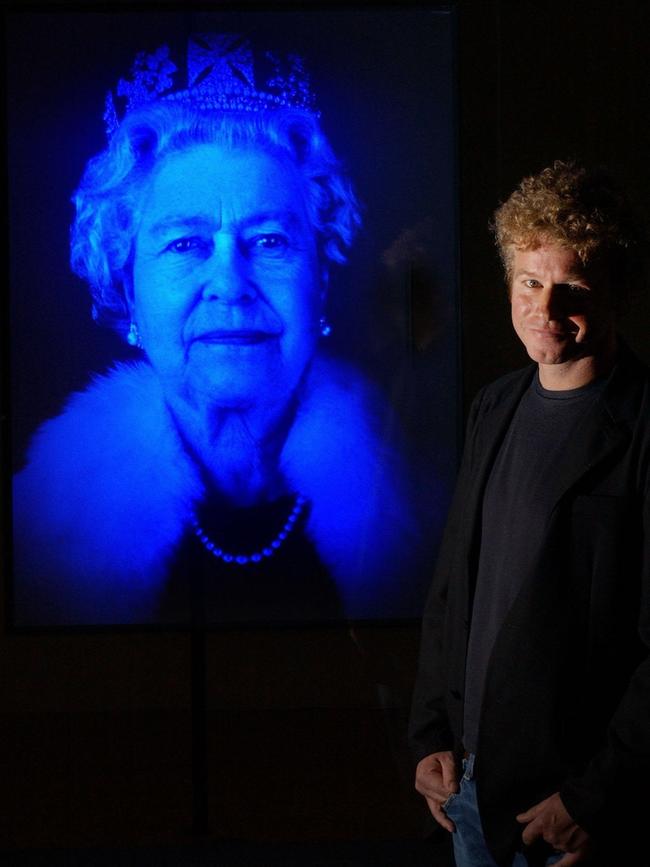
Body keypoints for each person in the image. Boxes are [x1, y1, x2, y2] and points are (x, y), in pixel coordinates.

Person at [12, 33, 419, 626]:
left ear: (322, 279)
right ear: (128, 290)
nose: (230, 283)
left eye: (271, 241)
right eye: (186, 244)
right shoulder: (37, 536)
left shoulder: (423, 511)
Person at [409, 160, 650, 866]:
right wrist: (428, 734)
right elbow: (455, 586)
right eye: (530, 282)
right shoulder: (496, 405)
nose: (545, 309)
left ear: (617, 291)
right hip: (472, 797)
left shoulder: (644, 429)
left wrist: (595, 798)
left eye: (572, 287)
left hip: (574, 815)